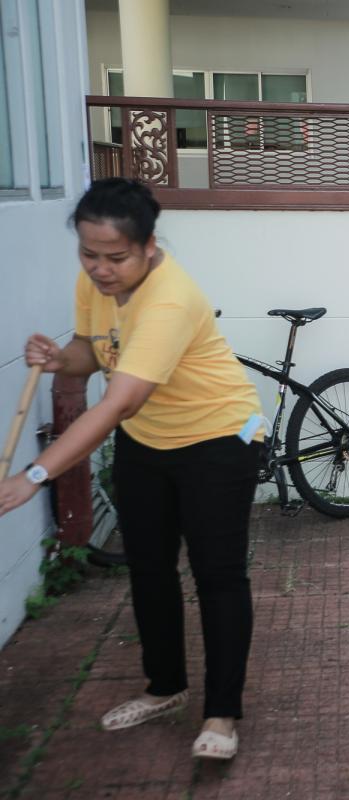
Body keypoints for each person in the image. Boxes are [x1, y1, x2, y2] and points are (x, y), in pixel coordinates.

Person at [0, 178, 264, 760]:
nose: (99, 269)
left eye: (115, 257)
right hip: (148, 443)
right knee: (149, 570)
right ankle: (165, 687)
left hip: (219, 439)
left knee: (218, 576)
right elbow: (94, 353)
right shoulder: (97, 282)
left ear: (148, 246)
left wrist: (34, 475)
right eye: (88, 255)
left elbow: (118, 400)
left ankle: (221, 715)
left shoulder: (170, 299)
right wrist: (55, 360)